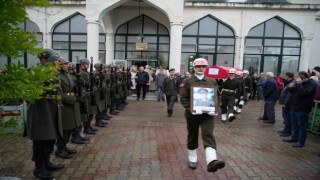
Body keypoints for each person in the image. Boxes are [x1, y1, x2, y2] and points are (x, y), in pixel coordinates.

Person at [24, 48, 64, 179]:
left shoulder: (51, 71)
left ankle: (47, 162)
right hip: (40, 110)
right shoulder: (36, 71)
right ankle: (39, 168)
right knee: (41, 139)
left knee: (50, 138)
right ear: (46, 58)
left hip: (51, 109)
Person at [180, 58, 225, 172]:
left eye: (203, 66)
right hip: (192, 115)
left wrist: (214, 107)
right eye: (198, 66)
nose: (201, 68)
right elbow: (183, 98)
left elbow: (217, 96)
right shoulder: (187, 81)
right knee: (192, 135)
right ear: (194, 67)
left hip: (208, 115)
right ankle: (192, 158)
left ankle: (212, 161)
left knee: (208, 134)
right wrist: (192, 109)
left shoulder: (212, 81)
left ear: (206, 68)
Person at [55, 57, 81, 159]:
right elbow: (60, 95)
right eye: (65, 64)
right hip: (65, 106)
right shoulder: (57, 76)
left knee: (70, 128)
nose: (68, 65)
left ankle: (64, 146)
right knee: (65, 129)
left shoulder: (67, 76)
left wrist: (79, 82)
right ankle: (60, 149)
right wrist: (75, 99)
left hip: (71, 105)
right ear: (60, 66)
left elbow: (72, 87)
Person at [283, 71, 316, 147]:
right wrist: (290, 87)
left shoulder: (311, 84)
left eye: (297, 76)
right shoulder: (297, 83)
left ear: (302, 77)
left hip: (303, 108)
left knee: (302, 125)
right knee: (295, 125)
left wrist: (299, 84)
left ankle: (301, 141)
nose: (295, 78)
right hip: (294, 107)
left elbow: (304, 93)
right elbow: (292, 92)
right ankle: (294, 137)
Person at [278, 72, 294, 137]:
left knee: (288, 118)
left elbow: (289, 94)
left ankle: (287, 131)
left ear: (288, 76)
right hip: (285, 102)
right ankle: (285, 130)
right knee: (285, 118)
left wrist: (286, 103)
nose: (284, 77)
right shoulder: (288, 82)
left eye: (285, 76)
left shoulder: (292, 82)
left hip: (287, 103)